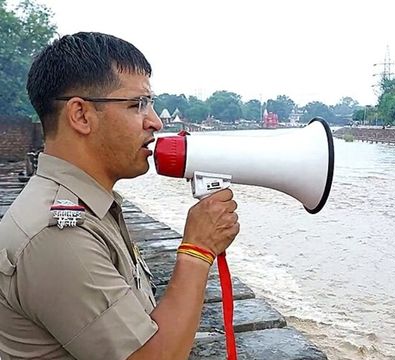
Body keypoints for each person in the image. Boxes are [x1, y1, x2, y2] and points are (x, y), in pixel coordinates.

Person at [0, 32, 240, 360]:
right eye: (137, 104)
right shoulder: (56, 235)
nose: (155, 122)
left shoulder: (85, 207)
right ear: (81, 115)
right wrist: (197, 250)